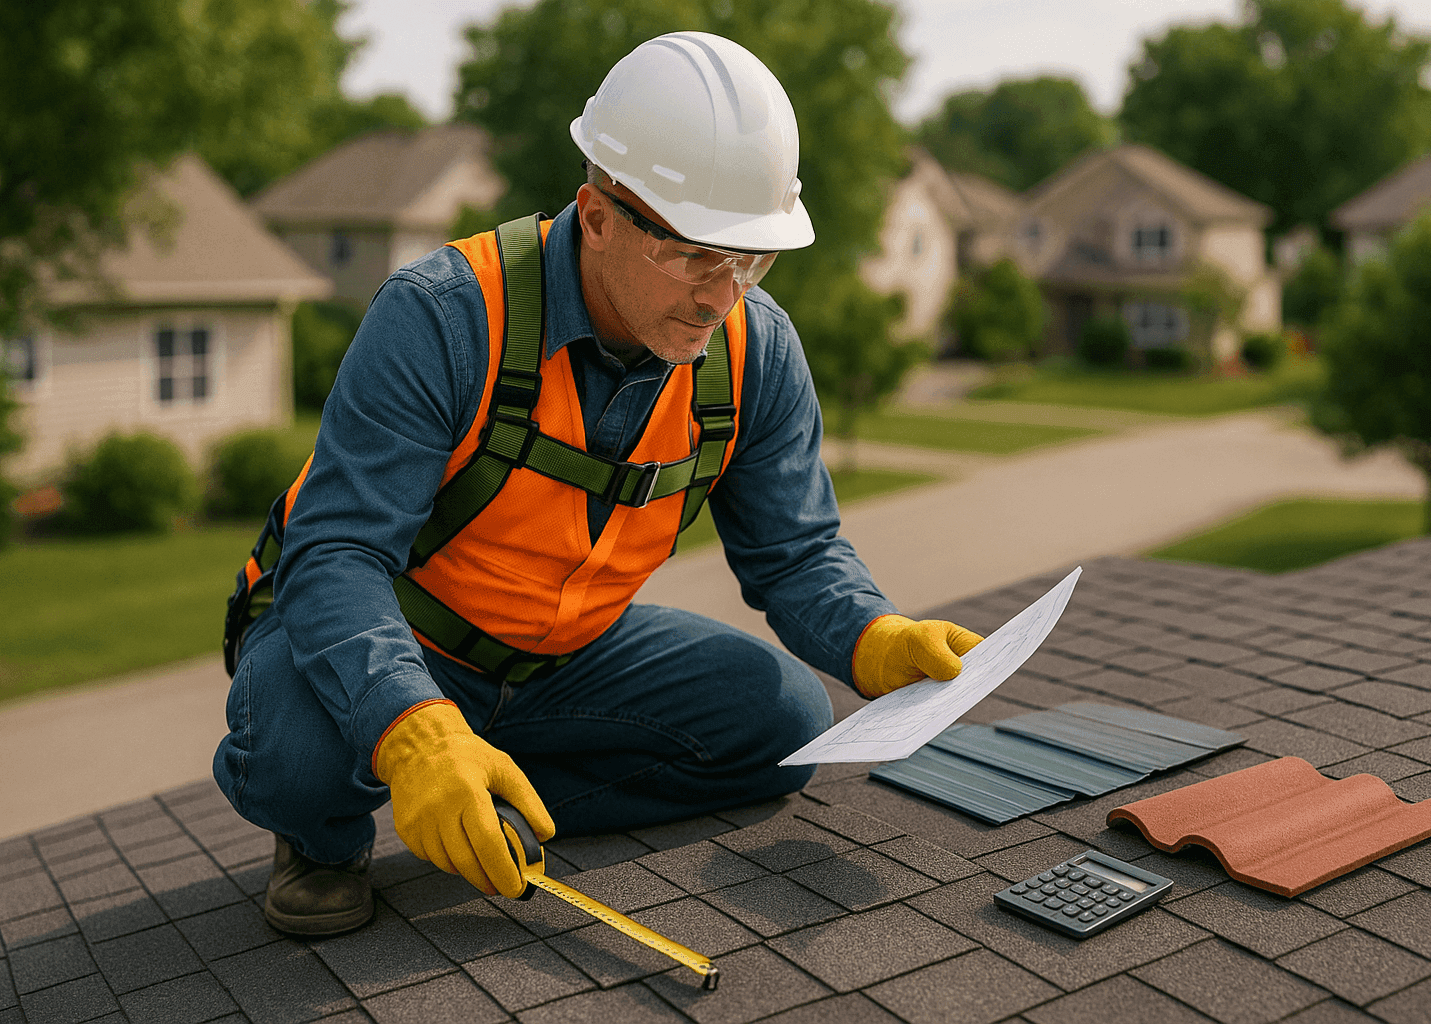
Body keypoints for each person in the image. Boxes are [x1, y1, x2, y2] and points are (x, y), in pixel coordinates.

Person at [214, 30, 982, 938]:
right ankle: (326, 838)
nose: (722, 296)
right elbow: (335, 554)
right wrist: (415, 730)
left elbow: (797, 551)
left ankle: (501, 802)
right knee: (298, 759)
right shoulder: (444, 318)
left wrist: (874, 635)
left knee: (782, 722)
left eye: (751, 260)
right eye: (697, 253)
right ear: (600, 215)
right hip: (395, 631)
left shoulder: (754, 350)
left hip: (563, 656)